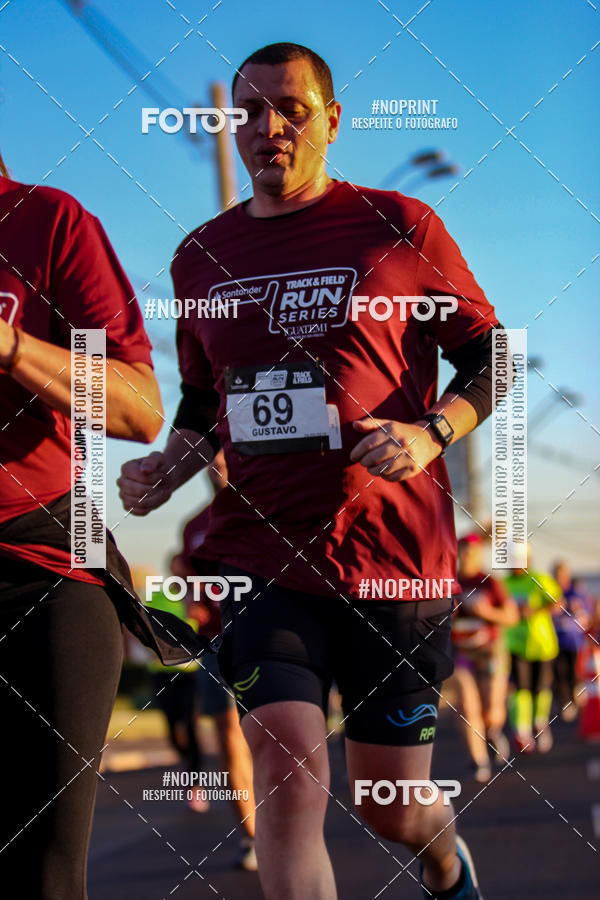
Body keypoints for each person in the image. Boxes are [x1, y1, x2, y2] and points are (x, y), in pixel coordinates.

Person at [118, 42, 505, 900]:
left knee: (393, 805)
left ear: (331, 120)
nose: (268, 127)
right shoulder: (200, 256)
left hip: (395, 562)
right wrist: (168, 469)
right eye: (249, 111)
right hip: (262, 555)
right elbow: (199, 401)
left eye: (290, 108)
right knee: (288, 769)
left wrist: (434, 431)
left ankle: (446, 863)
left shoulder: (396, 225)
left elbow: (492, 359)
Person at [0, 161, 183, 897]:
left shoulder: (46, 222)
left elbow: (139, 408)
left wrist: (11, 346)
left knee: (40, 869)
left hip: (41, 570)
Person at [177, 450, 258, 869]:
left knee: (277, 737)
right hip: (215, 643)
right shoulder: (193, 525)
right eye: (209, 458)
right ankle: (251, 836)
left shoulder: (265, 510)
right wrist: (192, 599)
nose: (217, 465)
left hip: (265, 636)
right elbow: (186, 578)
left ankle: (287, 826)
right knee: (229, 735)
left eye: (223, 456)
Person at [452, 534, 518, 782]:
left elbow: (511, 617)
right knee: (468, 707)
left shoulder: (490, 582)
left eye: (472, 551)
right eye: (463, 551)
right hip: (461, 653)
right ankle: (478, 761)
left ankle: (493, 731)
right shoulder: (450, 582)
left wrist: (488, 612)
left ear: (479, 553)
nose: (467, 555)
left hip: (491, 651)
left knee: (490, 711)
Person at [504, 548, 562, 753]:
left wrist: (534, 610)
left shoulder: (539, 579)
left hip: (542, 644)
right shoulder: (504, 584)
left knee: (541, 689)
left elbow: (557, 602)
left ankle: (540, 723)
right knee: (520, 689)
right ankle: (522, 731)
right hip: (515, 644)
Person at [552, 561, 593, 721]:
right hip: (555, 641)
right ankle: (566, 703)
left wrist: (578, 610)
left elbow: (586, 618)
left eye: (563, 574)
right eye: (557, 574)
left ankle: (577, 698)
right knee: (559, 674)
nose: (560, 578)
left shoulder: (577, 593)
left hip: (574, 641)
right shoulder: (551, 592)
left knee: (574, 673)